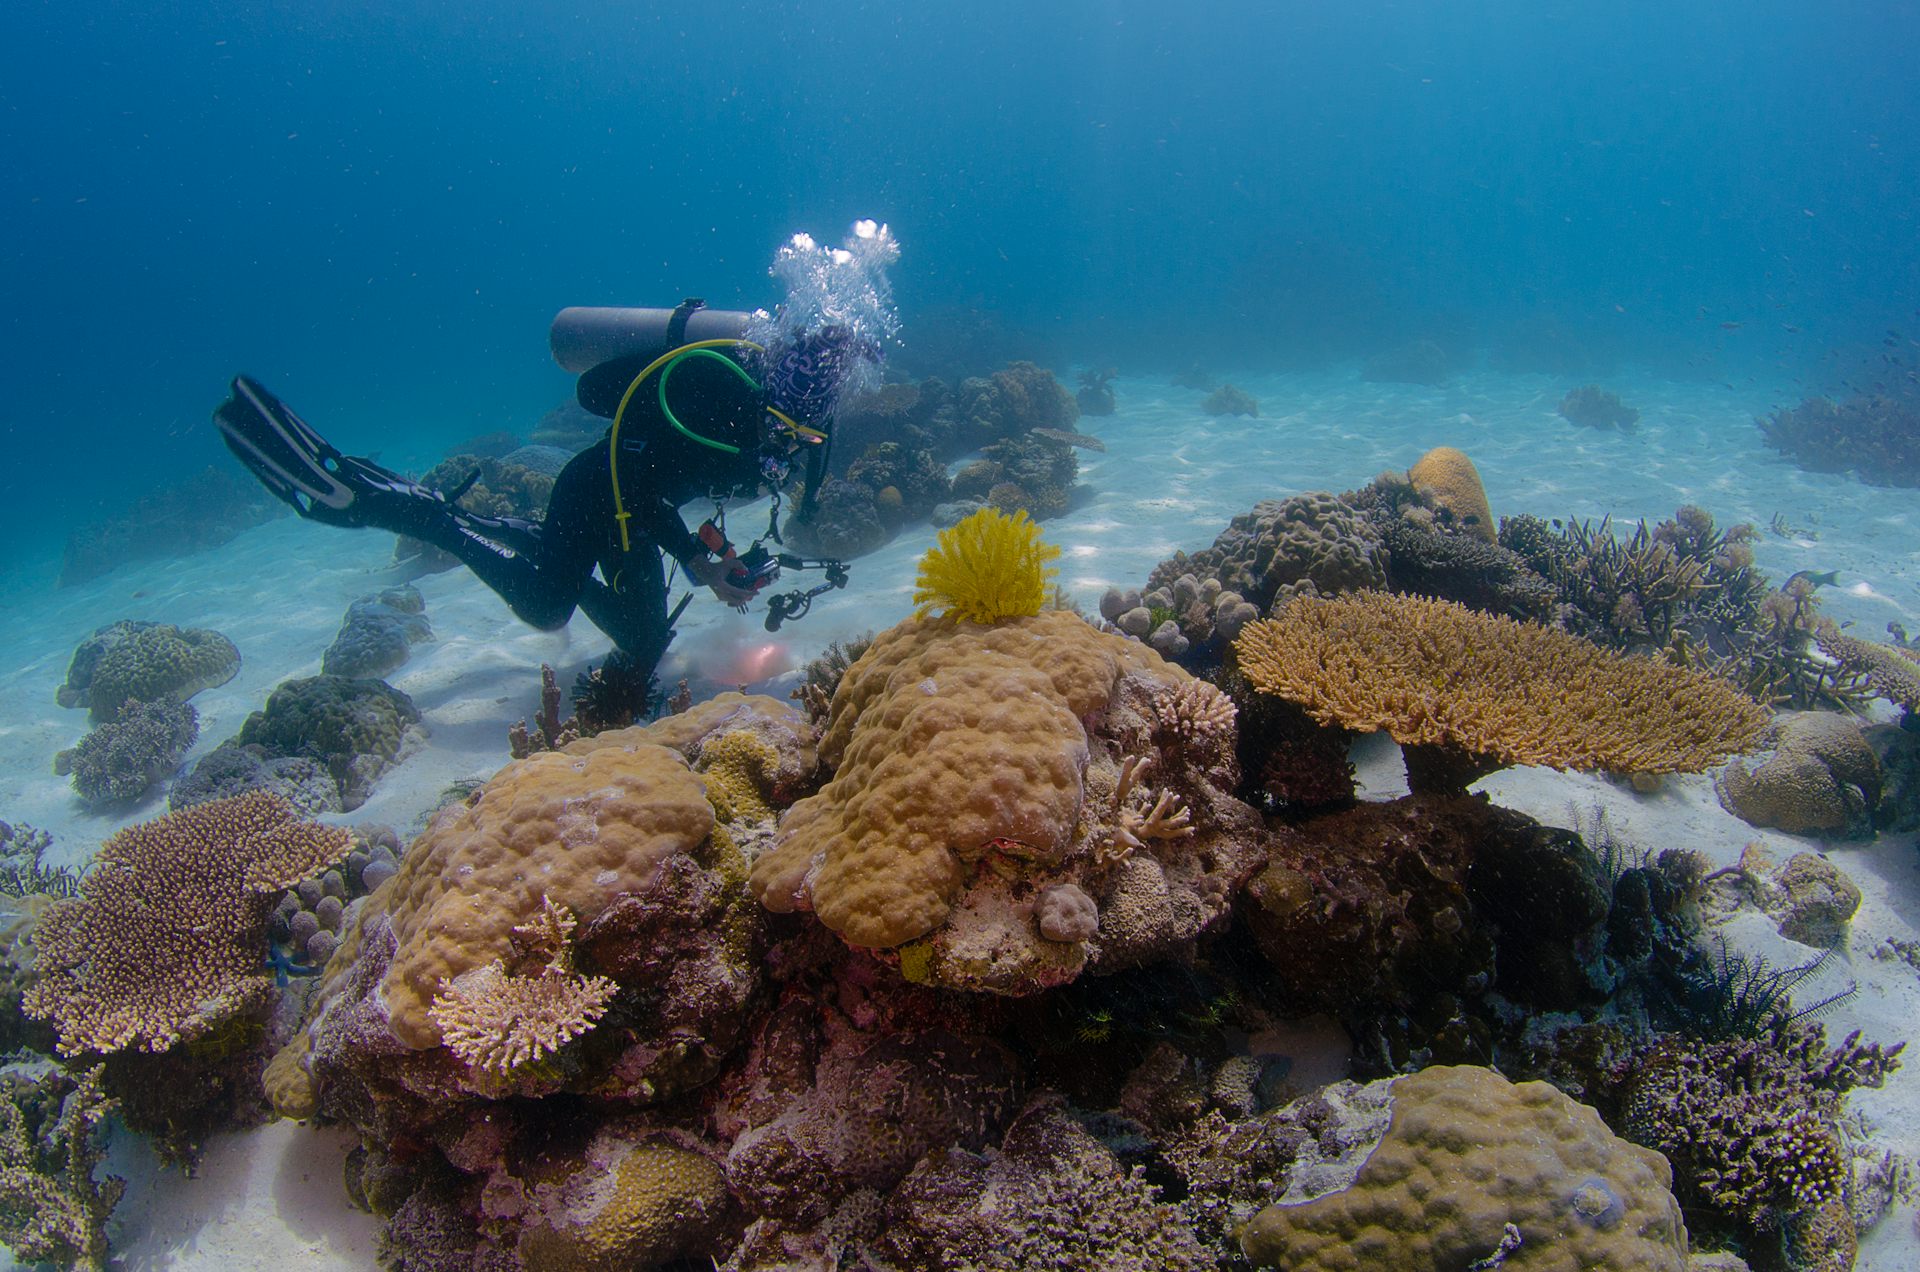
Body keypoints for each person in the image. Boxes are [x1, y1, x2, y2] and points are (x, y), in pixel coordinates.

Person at [214, 304, 865, 682]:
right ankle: (422, 514)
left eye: (802, 438)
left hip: (636, 503)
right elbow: (637, 484)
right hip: (600, 491)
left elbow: (698, 500)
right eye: (780, 429)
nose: (787, 447)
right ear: (767, 393)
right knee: (556, 610)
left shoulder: (803, 431)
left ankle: (517, 534)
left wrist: (715, 557)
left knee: (619, 616)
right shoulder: (708, 394)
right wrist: (698, 561)